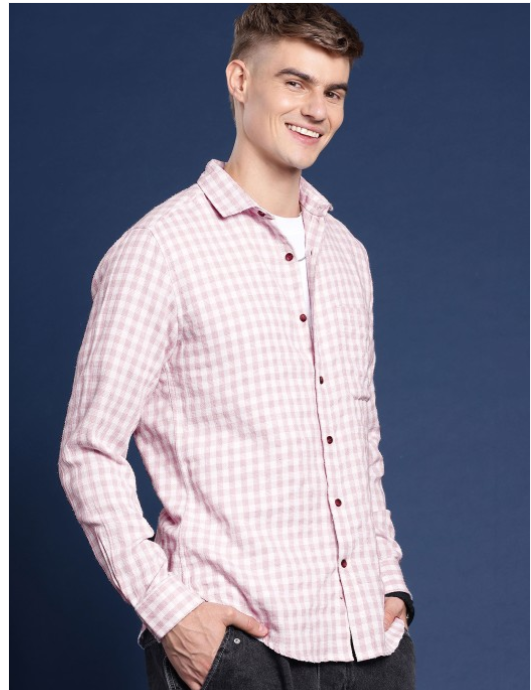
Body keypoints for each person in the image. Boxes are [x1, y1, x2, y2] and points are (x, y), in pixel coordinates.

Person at [58, 4, 416, 689]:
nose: (316, 109)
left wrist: (388, 581)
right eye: (294, 82)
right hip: (239, 650)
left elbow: (357, 439)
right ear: (240, 80)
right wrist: (173, 614)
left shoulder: (347, 256)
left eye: (333, 91)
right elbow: (88, 451)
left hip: (369, 644)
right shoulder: (159, 252)